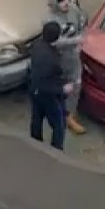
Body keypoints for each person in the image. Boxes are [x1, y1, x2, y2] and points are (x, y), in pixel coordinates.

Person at [46, 0, 86, 135]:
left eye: (66, 0)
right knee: (64, 86)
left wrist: (81, 39)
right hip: (59, 59)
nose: (66, 4)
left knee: (76, 84)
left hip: (73, 56)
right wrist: (75, 40)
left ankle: (69, 113)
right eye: (62, 2)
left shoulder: (73, 10)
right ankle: (64, 114)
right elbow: (53, 41)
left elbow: (82, 22)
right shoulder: (50, 21)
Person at [28, 21, 73, 150]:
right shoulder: (53, 60)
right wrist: (63, 89)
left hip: (34, 89)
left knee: (36, 118)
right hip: (47, 95)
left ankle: (35, 143)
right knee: (59, 124)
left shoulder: (36, 45)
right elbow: (46, 83)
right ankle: (56, 150)